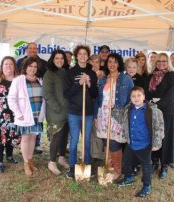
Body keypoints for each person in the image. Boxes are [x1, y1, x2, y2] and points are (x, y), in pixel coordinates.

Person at [117, 86, 164, 198]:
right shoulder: (128, 109)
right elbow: (122, 121)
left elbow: (159, 127)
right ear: (130, 98)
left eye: (139, 95)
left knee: (146, 166)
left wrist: (157, 143)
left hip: (144, 144)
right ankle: (129, 178)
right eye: (133, 96)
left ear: (144, 97)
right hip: (131, 143)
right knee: (126, 161)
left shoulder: (153, 111)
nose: (136, 98)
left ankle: (147, 186)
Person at [96, 53, 134, 181]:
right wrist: (97, 117)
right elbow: (98, 99)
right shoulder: (102, 79)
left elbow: (131, 99)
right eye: (110, 62)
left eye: (115, 62)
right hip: (103, 114)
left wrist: (125, 114)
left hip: (117, 115)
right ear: (107, 64)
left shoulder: (126, 79)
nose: (112, 64)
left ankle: (117, 170)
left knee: (114, 143)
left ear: (119, 64)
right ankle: (109, 166)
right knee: (105, 141)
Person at [64, 45, 98, 179]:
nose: (82, 56)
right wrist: (79, 84)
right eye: (80, 54)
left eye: (85, 54)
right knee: (74, 141)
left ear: (87, 56)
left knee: (87, 140)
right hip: (74, 112)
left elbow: (95, 94)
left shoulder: (92, 73)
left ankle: (86, 164)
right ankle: (72, 167)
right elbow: (67, 93)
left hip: (88, 112)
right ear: (76, 56)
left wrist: (89, 84)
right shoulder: (70, 72)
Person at [8, 57, 46, 176]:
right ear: (25, 67)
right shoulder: (18, 80)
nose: (33, 69)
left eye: (35, 67)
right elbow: (11, 99)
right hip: (25, 115)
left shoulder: (40, 80)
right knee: (25, 138)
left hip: (37, 114)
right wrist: (18, 114)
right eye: (30, 66)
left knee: (33, 137)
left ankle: (30, 161)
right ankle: (25, 163)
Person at [147, 53, 174, 179]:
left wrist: (156, 105)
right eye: (159, 61)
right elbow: (147, 92)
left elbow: (171, 95)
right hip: (153, 110)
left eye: (164, 61)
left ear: (168, 62)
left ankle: (164, 164)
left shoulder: (172, 75)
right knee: (154, 136)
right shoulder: (151, 75)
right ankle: (155, 161)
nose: (161, 63)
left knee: (165, 137)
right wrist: (150, 103)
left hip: (166, 111)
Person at [16, 42, 47, 154]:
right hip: (25, 98)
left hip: (38, 96)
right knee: (26, 132)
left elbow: (45, 79)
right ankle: (24, 149)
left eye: (35, 49)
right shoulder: (19, 62)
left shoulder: (43, 63)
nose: (33, 50)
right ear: (26, 50)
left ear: (37, 50)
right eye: (30, 48)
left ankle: (37, 144)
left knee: (35, 128)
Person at [43, 50, 70, 175]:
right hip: (56, 111)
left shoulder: (65, 72)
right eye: (56, 58)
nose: (59, 60)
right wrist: (58, 108)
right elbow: (47, 94)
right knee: (57, 136)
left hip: (67, 110)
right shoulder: (49, 74)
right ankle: (52, 162)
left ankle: (62, 158)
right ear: (52, 60)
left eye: (61, 58)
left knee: (64, 135)